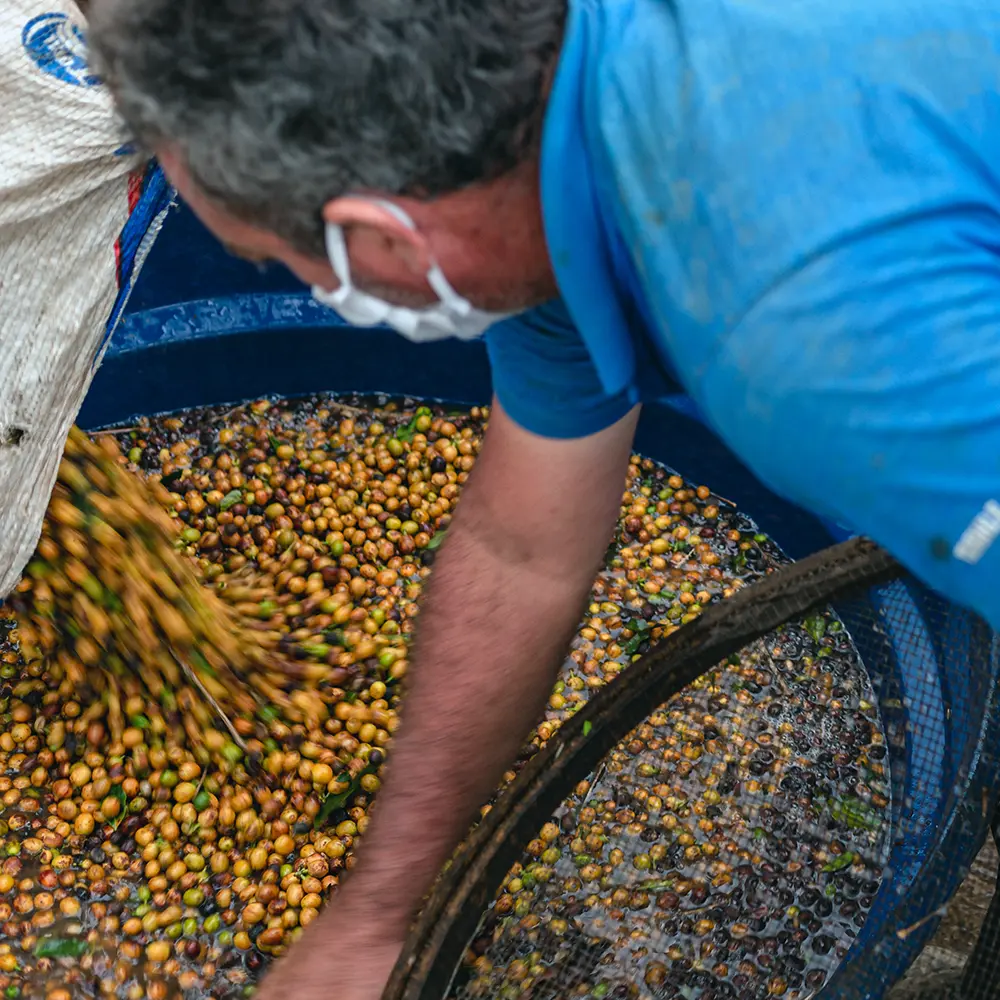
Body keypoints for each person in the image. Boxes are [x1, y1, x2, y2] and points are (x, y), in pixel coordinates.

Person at [87, 0, 1000, 996]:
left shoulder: (803, 333)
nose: (290, 281)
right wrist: (376, 919)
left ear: (379, 237)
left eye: (276, 259)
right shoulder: (537, 128)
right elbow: (521, 549)